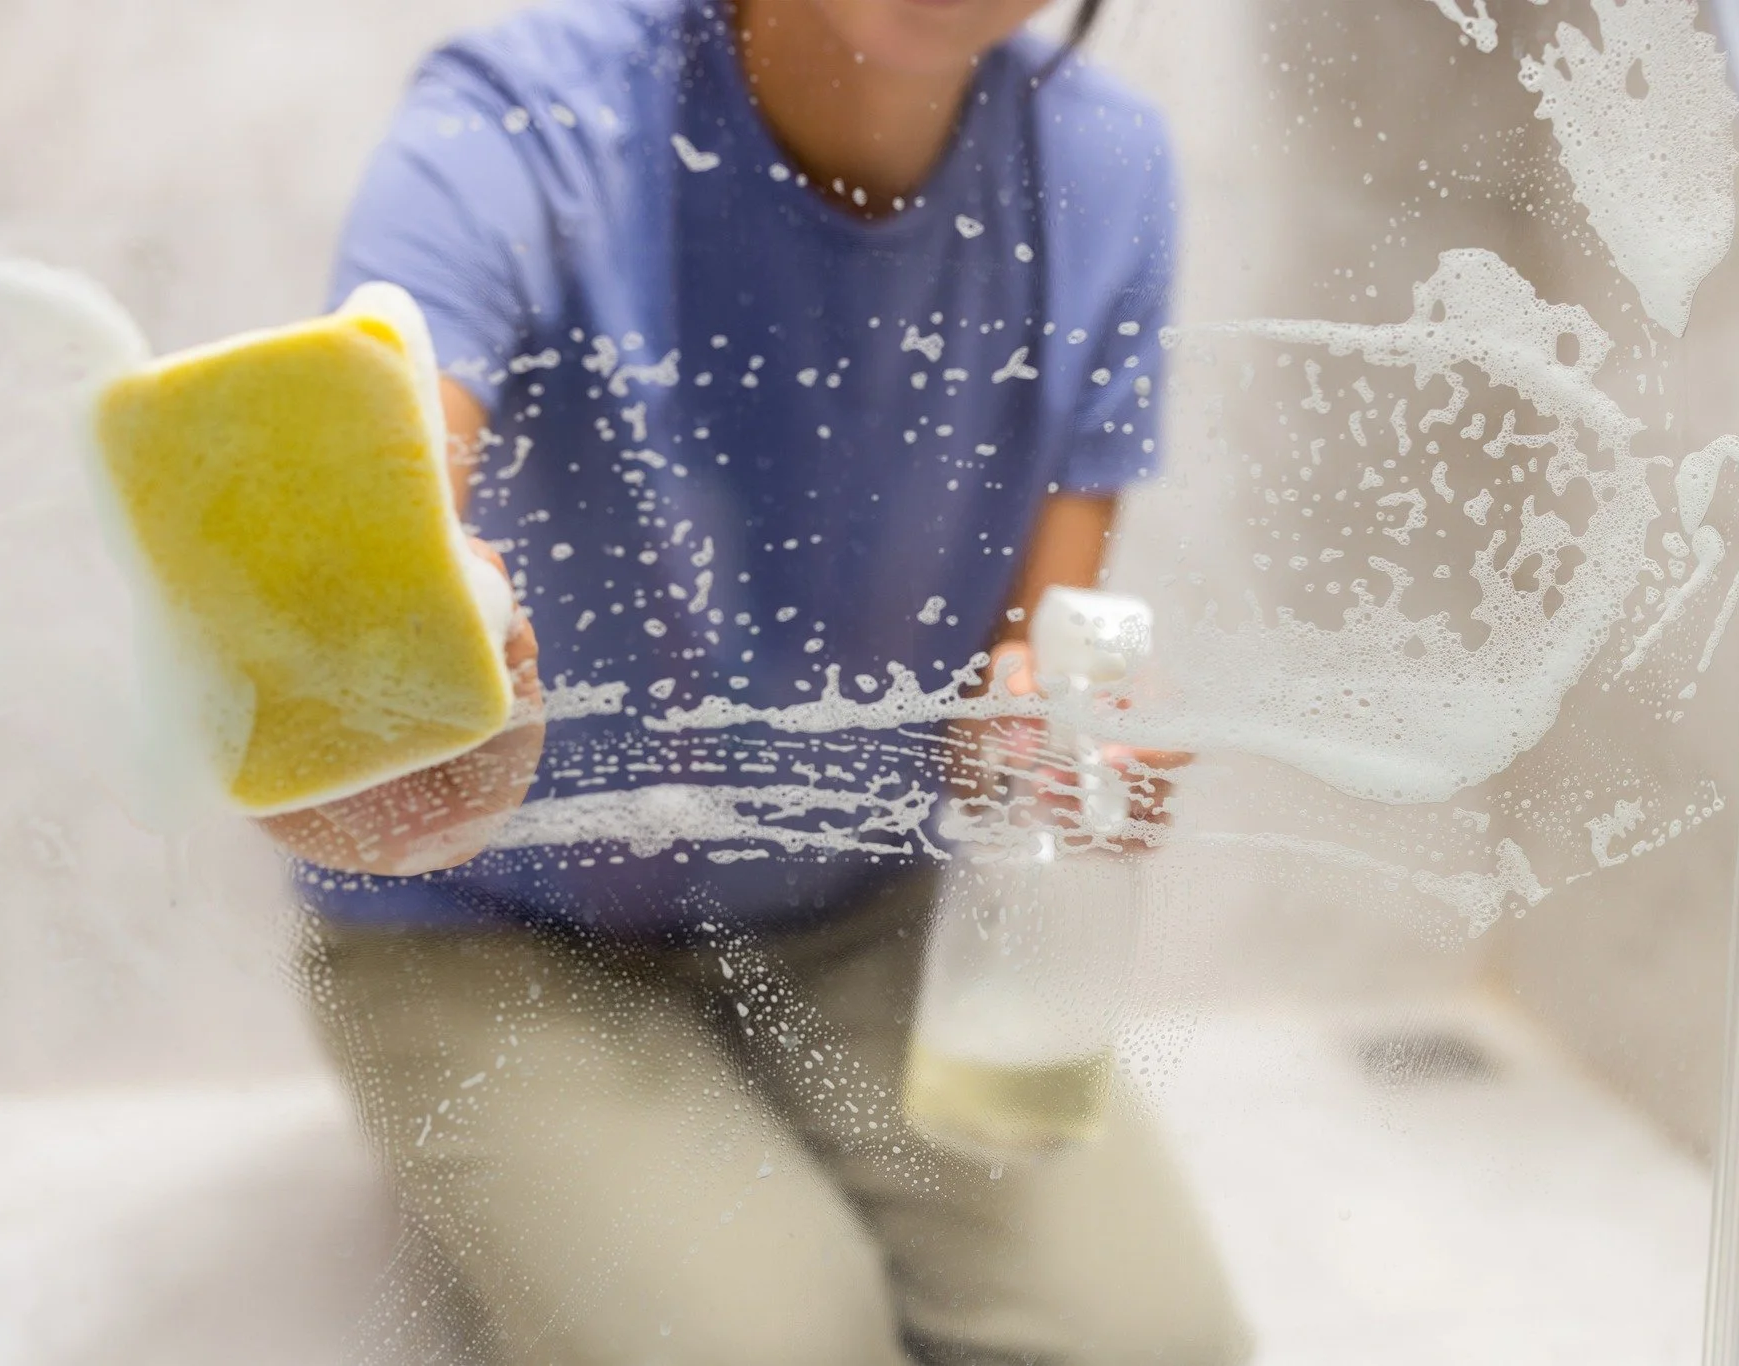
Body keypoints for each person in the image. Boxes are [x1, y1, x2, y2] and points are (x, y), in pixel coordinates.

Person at [268, 0, 1248, 1361]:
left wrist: (1058, 755)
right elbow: (365, 518)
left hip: (864, 903)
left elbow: (1032, 672)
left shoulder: (1105, 169)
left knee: (1153, 1343)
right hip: (492, 931)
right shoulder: (529, 115)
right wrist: (363, 652)